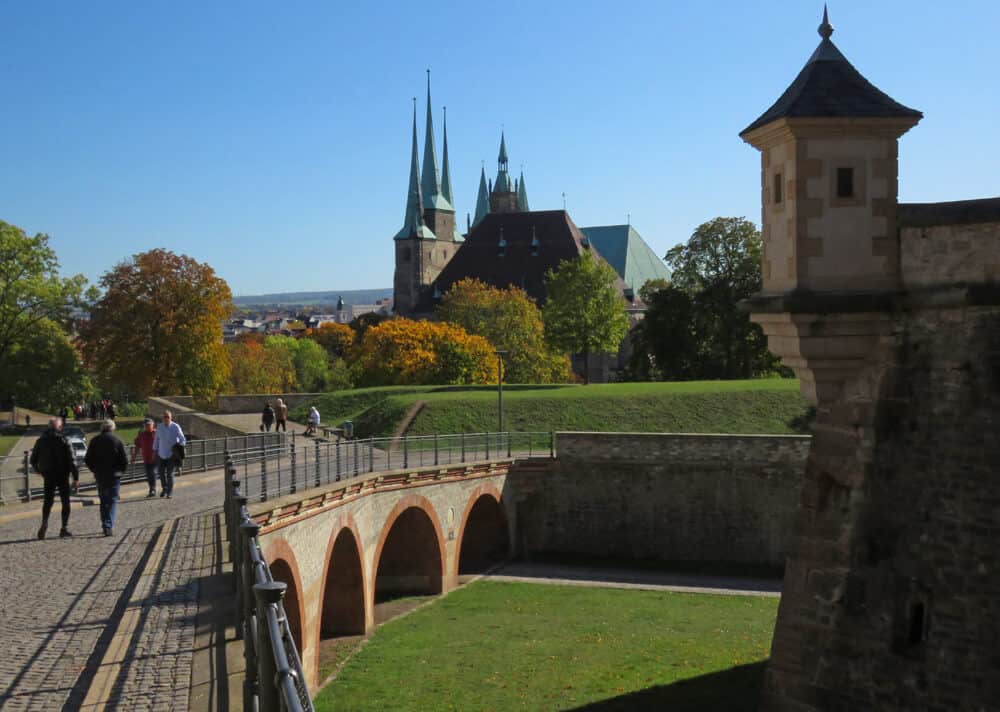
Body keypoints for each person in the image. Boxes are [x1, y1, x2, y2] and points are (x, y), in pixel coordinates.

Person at [30, 417, 79, 539]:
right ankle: (64, 528)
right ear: (60, 427)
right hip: (63, 475)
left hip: (48, 475)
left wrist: (39, 471)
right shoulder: (64, 440)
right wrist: (76, 477)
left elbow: (32, 460)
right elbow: (72, 460)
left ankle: (45, 522)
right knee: (65, 501)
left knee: (48, 501)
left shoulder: (41, 441)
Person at [85, 419, 128, 536]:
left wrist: (94, 470)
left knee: (103, 501)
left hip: (100, 475)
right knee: (112, 500)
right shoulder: (117, 440)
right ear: (112, 428)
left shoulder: (94, 441)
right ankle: (108, 525)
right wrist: (121, 472)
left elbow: (87, 459)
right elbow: (124, 460)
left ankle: (105, 524)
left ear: (102, 428)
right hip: (114, 476)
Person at [153, 410, 186, 499]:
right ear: (162, 418)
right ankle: (165, 488)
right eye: (165, 417)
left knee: (170, 474)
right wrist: (154, 450)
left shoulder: (176, 426)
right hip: (161, 453)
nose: (166, 418)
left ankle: (169, 492)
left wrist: (178, 446)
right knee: (161, 473)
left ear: (171, 418)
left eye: (168, 417)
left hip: (172, 454)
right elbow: (156, 440)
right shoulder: (159, 427)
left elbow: (183, 439)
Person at [133, 418, 158, 497]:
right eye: (146, 425)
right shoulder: (141, 434)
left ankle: (153, 489)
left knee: (152, 473)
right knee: (149, 474)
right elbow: (137, 446)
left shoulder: (157, 433)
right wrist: (133, 457)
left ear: (153, 425)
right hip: (146, 458)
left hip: (156, 457)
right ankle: (152, 489)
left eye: (149, 425)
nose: (147, 427)